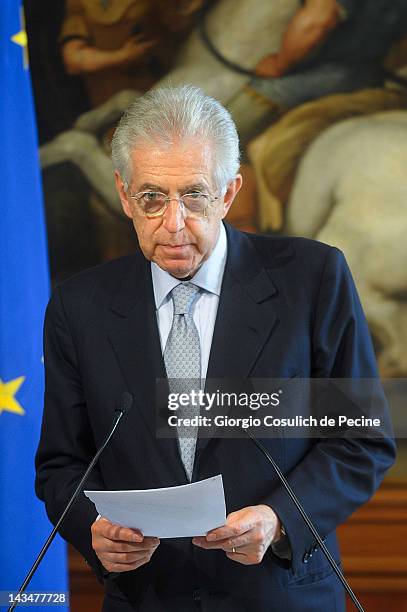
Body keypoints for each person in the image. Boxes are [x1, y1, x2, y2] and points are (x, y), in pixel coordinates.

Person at [35, 85, 395, 611]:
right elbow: (62, 464)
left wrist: (277, 522)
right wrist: (93, 527)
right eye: (152, 198)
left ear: (228, 193)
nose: (173, 223)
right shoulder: (79, 306)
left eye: (195, 195)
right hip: (149, 599)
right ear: (123, 194)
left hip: (278, 593)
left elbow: (361, 441)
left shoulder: (312, 280)